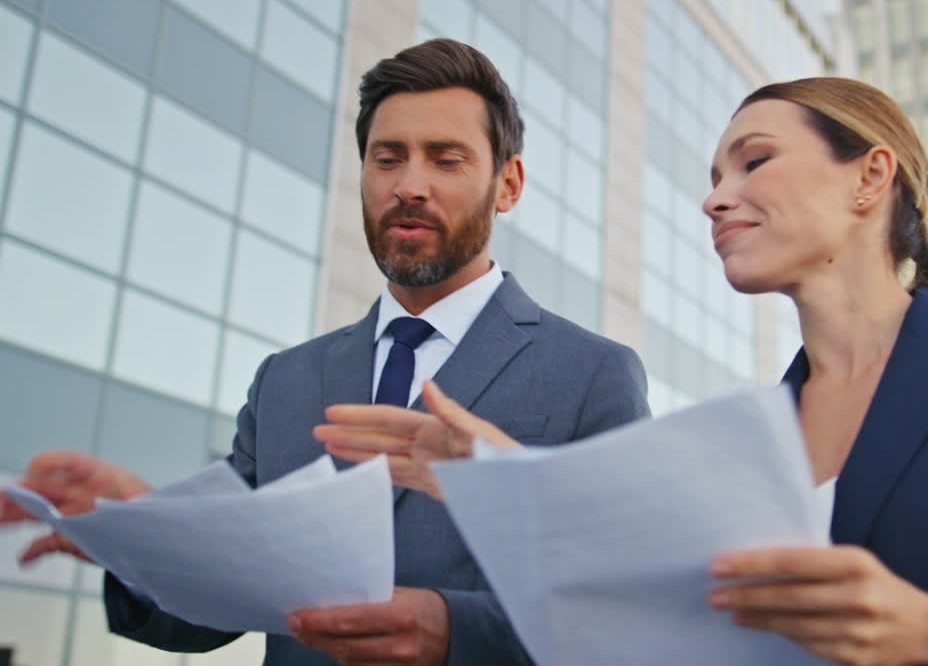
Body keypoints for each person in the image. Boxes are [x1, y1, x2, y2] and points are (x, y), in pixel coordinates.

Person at [322, 76, 928, 665]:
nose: (714, 196)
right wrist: (505, 482)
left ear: (869, 177)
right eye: (712, 176)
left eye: (755, 160)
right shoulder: (744, 437)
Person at [0, 39, 649, 666]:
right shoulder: (285, 380)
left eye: (445, 159)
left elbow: (627, 611)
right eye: (387, 158)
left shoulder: (593, 374)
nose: (409, 186)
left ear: (508, 185)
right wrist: (139, 537)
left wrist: (454, 630)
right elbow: (212, 608)